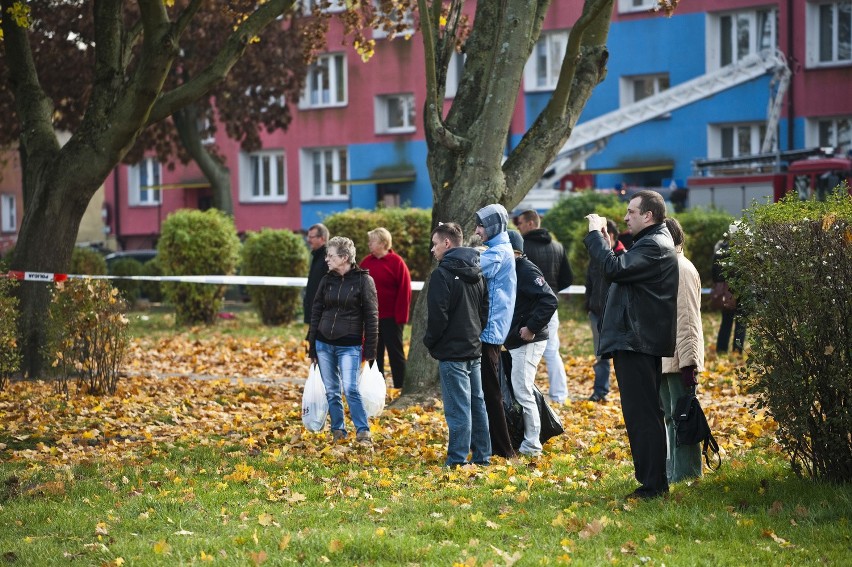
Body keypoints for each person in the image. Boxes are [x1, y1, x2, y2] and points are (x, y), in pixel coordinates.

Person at [584, 190, 678, 500]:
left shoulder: (653, 245)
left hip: (637, 341)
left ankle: (653, 486)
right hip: (636, 339)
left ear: (648, 215)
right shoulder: (652, 243)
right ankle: (653, 481)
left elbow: (613, 269)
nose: (626, 218)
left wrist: (596, 236)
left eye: (631, 212)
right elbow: (620, 268)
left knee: (643, 416)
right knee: (644, 414)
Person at [423, 222, 491, 467]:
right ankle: (483, 457)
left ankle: (456, 460)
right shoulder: (478, 270)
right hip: (473, 346)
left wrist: (430, 342)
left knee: (458, 409)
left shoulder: (442, 275)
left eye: (435, 244)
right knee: (477, 404)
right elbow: (485, 309)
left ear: (447, 243)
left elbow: (438, 316)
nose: (433, 249)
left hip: (452, 351)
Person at [308, 236, 379, 446]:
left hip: (350, 345)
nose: (327, 259)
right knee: (331, 390)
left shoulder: (364, 281)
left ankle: (363, 431)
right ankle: (338, 430)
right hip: (323, 343)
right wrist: (312, 346)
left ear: (345, 258)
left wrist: (371, 351)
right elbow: (316, 311)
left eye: (331, 256)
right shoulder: (326, 279)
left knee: (350, 389)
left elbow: (372, 316)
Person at [504, 231, 558, 457]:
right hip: (518, 339)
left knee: (523, 391)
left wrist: (531, 328)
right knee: (522, 389)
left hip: (528, 340)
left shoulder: (526, 270)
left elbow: (549, 299)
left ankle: (532, 445)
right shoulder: (515, 269)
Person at [660, 218, 705, 483]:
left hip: (679, 359)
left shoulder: (681, 269)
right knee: (671, 417)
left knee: (683, 416)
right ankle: (674, 471)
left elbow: (688, 319)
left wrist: (689, 363)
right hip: (667, 357)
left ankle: (687, 474)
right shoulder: (670, 266)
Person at [516, 210, 573, 404]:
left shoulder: (522, 249)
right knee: (552, 351)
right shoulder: (557, 247)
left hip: (525, 307)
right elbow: (568, 278)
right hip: (551, 306)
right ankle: (559, 395)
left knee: (523, 353)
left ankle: (525, 394)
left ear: (531, 224)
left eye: (521, 223)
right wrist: (552, 290)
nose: (518, 226)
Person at [474, 203, 518, 459]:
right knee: (489, 390)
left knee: (490, 391)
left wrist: (453, 250)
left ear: (492, 226)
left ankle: (503, 448)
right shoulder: (499, 249)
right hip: (492, 330)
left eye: (481, 225)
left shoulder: (497, 253)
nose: (478, 230)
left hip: (489, 332)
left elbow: (471, 265)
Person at [360, 227, 412, 388]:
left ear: (383, 243)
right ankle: (376, 387)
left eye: (372, 241)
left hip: (392, 318)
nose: (369, 244)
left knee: (395, 353)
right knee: (374, 353)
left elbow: (405, 291)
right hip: (371, 318)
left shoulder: (397, 262)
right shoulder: (366, 263)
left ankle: (399, 386)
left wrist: (400, 317)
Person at [585, 220, 626, 402]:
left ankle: (627, 392)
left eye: (604, 234)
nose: (601, 238)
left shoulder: (624, 257)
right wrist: (589, 305)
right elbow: (589, 283)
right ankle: (600, 391)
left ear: (612, 236)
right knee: (600, 356)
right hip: (596, 313)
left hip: (616, 316)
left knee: (621, 357)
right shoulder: (595, 258)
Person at [713, 224, 746, 354]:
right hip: (743, 291)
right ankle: (737, 351)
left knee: (726, 321)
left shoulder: (721, 248)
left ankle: (721, 349)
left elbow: (715, 270)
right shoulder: (747, 250)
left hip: (726, 292)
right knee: (741, 324)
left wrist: (719, 284)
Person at [303, 223, 329, 325]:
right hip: (315, 314)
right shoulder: (317, 256)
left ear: (322, 238)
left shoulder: (328, 258)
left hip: (322, 316)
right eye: (308, 236)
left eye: (311, 237)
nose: (308, 240)